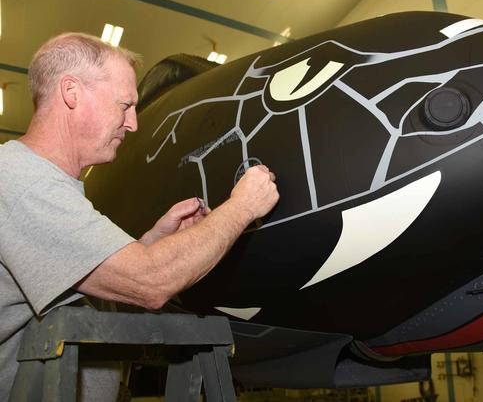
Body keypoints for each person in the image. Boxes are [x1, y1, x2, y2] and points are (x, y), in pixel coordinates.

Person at [0, 33, 279, 400]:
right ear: (72, 93)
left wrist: (148, 244)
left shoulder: (47, 186)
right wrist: (242, 207)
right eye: (124, 105)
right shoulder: (22, 182)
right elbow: (150, 284)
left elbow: (92, 286)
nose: (132, 123)